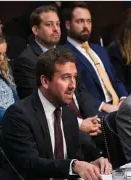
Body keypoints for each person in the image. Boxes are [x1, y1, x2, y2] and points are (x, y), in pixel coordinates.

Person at [0, 47, 112, 180]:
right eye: (66, 77)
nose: (73, 85)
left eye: (74, 77)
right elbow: (29, 163)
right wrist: (73, 165)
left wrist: (92, 163)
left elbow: (75, 157)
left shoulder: (68, 113)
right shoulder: (18, 114)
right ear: (45, 81)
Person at [14, 5, 103, 138]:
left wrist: (93, 119)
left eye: (57, 24)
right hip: (56, 126)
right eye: (49, 25)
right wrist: (78, 124)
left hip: (84, 119)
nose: (56, 29)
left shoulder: (66, 53)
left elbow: (81, 91)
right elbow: (39, 103)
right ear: (35, 30)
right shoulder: (27, 60)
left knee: (112, 124)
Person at [64, 2, 128, 114]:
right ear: (68, 25)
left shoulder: (100, 50)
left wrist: (123, 98)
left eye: (89, 21)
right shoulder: (64, 54)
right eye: (80, 21)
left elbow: (115, 79)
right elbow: (76, 92)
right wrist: (102, 106)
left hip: (119, 106)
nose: (86, 26)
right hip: (96, 111)